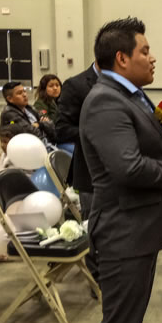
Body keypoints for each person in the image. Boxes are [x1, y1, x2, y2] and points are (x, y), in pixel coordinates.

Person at [80, 17, 162, 323]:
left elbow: (138, 148)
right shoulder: (105, 101)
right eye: (144, 51)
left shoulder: (128, 95)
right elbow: (127, 168)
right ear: (122, 58)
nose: (152, 58)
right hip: (123, 235)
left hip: (138, 232)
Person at [56, 59, 99, 282]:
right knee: (94, 225)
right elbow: (62, 129)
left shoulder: (125, 81)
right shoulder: (76, 85)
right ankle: (96, 278)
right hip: (90, 171)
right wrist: (96, 132)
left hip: (121, 170)